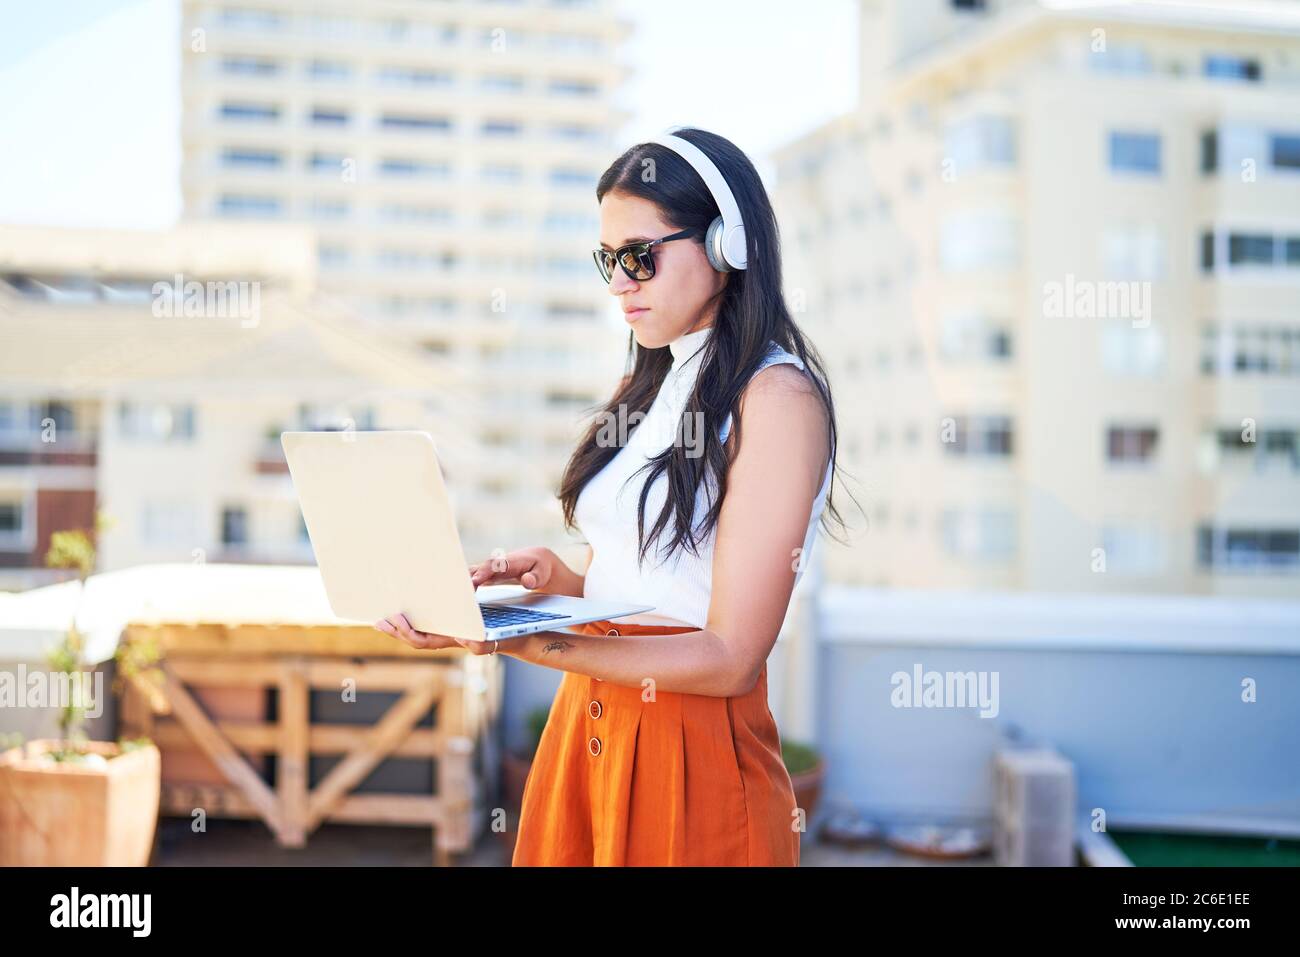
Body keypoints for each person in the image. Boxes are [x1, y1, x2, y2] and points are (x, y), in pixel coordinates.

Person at [376, 126, 853, 866]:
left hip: (690, 764)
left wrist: (520, 639)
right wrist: (560, 582)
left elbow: (730, 654)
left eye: (640, 256)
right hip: (586, 734)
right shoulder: (658, 380)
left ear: (727, 244)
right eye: (607, 260)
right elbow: (646, 586)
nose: (619, 282)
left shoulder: (778, 396)